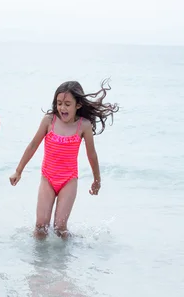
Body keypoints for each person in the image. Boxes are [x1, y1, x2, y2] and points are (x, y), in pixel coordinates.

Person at [9, 80, 119, 239]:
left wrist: (97, 180)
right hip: (48, 178)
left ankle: (64, 261)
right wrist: (18, 171)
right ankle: (38, 261)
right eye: (59, 103)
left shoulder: (84, 125)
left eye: (68, 104)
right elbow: (33, 145)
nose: (62, 108)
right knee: (41, 226)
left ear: (78, 105)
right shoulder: (49, 121)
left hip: (68, 181)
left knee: (60, 228)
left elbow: (92, 154)